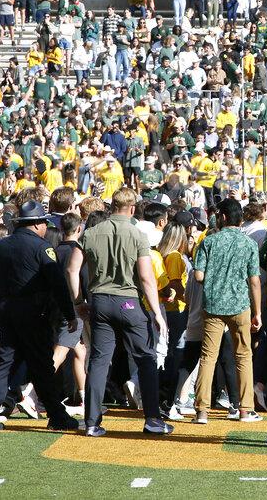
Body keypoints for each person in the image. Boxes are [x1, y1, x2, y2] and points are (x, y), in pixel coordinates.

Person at [66, 186, 173, 436]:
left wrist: (78, 301)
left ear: (112, 206)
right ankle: (153, 419)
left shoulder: (91, 232)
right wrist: (157, 313)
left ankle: (92, 422)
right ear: (132, 208)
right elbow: (146, 278)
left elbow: (72, 269)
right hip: (129, 302)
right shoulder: (137, 234)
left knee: (99, 361)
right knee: (146, 359)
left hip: (100, 302)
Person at [0, 201, 81, 433]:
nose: (45, 226)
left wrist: (0, 303)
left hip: (7, 310)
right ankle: (57, 415)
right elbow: (57, 284)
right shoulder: (42, 248)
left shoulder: (2, 246)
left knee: (4, 362)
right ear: (36, 225)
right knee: (42, 364)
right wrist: (69, 314)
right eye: (43, 222)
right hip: (34, 313)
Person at [191, 198, 262, 424]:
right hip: (240, 305)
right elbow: (254, 281)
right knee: (244, 357)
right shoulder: (249, 243)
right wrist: (258, 312)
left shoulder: (209, 241)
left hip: (213, 305)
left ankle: (202, 411)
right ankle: (245, 409)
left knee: (208, 357)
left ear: (222, 217)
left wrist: (214, 280)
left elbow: (198, 275)